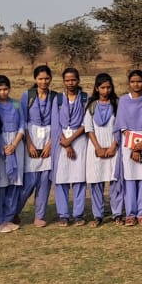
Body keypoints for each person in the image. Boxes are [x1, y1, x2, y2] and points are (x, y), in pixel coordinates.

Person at [114, 69, 142, 226]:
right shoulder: (123, 101)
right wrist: (134, 146)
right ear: (129, 83)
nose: (136, 84)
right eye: (133, 82)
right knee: (130, 178)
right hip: (128, 144)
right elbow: (121, 125)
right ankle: (130, 214)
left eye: (139, 81)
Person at [51, 68, 89, 226]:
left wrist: (71, 140)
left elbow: (86, 123)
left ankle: (78, 214)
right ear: (63, 82)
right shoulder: (58, 99)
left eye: (73, 80)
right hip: (61, 142)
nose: (70, 83)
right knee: (61, 179)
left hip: (79, 140)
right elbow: (55, 124)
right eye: (67, 80)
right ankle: (63, 214)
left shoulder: (85, 98)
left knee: (79, 178)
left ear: (78, 80)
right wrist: (66, 145)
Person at [19, 65, 55, 227]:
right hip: (31, 139)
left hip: (49, 139)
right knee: (29, 182)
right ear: (35, 79)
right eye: (40, 78)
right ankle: (14, 212)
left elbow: (57, 123)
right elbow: (23, 121)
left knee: (45, 181)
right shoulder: (28, 96)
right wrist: (29, 144)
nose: (44, 82)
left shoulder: (55, 97)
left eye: (46, 78)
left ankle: (39, 215)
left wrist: (50, 144)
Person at [84, 73, 121, 227]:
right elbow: (89, 128)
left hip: (114, 147)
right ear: (96, 88)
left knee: (115, 182)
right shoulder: (91, 106)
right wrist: (98, 148)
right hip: (96, 149)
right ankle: (98, 216)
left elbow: (120, 127)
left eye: (108, 87)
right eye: (103, 87)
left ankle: (117, 214)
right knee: (96, 182)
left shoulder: (117, 104)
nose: (106, 90)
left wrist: (113, 146)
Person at [0, 75, 24, 233]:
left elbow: (22, 125)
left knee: (14, 183)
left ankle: (9, 218)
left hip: (17, 145)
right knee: (1, 184)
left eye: (5, 89)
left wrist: (14, 145)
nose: (2, 92)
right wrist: (4, 147)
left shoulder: (16, 104)